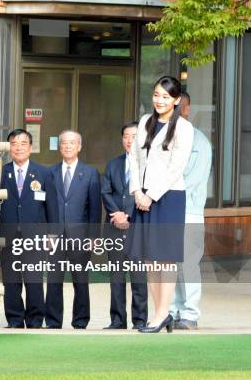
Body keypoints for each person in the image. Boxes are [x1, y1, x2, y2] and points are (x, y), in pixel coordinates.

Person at [128, 76, 194, 333]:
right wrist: (136, 191)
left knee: (164, 259)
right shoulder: (145, 121)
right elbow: (134, 158)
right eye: (157, 94)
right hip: (142, 196)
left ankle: (162, 314)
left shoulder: (184, 128)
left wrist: (151, 195)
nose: (159, 100)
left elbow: (176, 167)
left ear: (177, 100)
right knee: (149, 259)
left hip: (168, 197)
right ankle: (159, 315)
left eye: (166, 96)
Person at [0, 129, 55, 329]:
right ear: (8, 148)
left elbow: (51, 206)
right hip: (8, 234)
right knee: (11, 280)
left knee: (34, 280)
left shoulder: (44, 173)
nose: (18, 147)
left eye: (23, 143)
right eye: (14, 143)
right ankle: (14, 319)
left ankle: (35, 319)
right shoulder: (1, 172)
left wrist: (52, 234)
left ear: (31, 148)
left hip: (35, 236)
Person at [45, 130, 101, 329]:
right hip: (55, 235)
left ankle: (80, 320)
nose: (68, 146)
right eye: (64, 143)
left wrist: (93, 237)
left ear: (79, 146)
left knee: (81, 281)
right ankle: (52, 321)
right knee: (53, 280)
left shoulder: (90, 173)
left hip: (80, 235)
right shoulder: (49, 173)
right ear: (59, 147)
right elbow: (46, 206)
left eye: (72, 143)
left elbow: (95, 207)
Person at [169, 92, 212, 330]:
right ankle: (174, 309)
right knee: (171, 263)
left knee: (189, 264)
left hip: (189, 211)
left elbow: (192, 180)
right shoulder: (166, 137)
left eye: (179, 107)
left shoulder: (200, 142)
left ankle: (190, 313)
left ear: (187, 109)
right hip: (168, 211)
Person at [101, 121, 148, 330]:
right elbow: (106, 191)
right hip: (114, 226)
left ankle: (140, 320)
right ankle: (117, 320)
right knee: (116, 277)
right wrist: (117, 215)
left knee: (138, 278)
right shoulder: (113, 164)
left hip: (137, 227)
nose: (130, 140)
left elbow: (147, 194)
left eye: (134, 136)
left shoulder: (148, 165)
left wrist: (128, 216)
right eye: (126, 136)